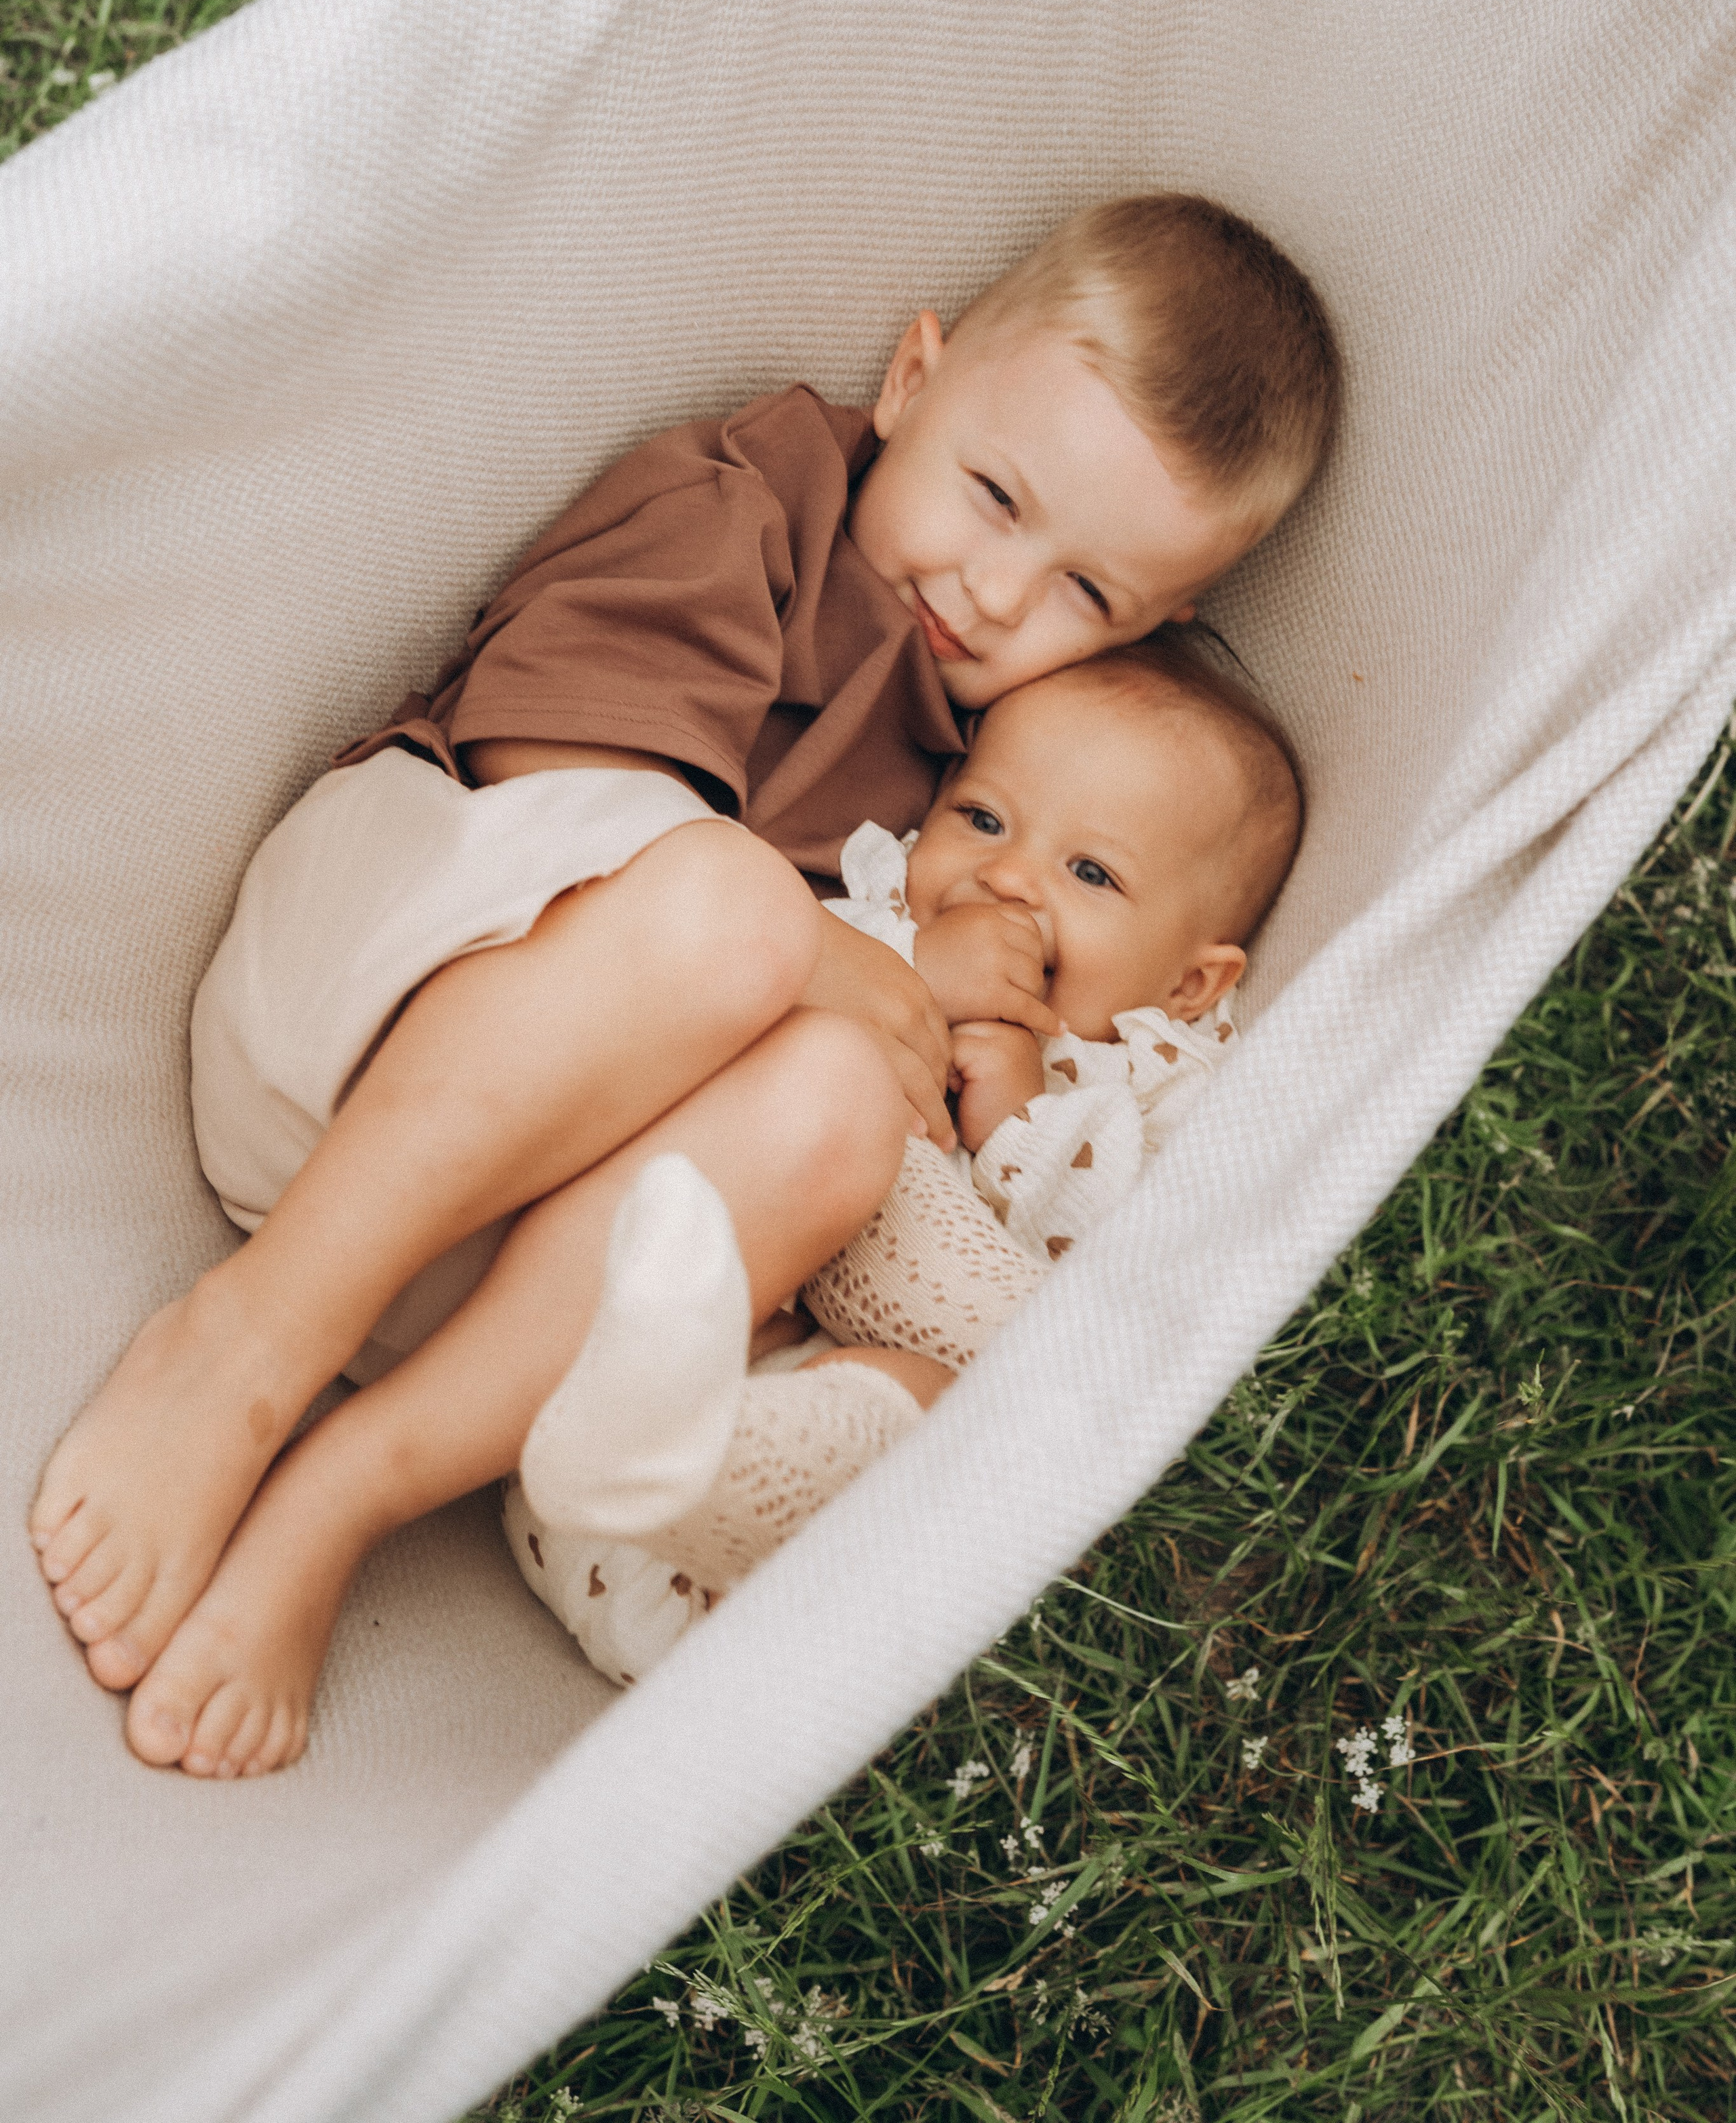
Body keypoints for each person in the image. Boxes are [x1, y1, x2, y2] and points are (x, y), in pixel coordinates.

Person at [28, 195, 1339, 1778]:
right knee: (731, 911)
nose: (996, 594)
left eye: (1085, 596)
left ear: (1158, 623)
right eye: (993, 496)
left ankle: (343, 1490)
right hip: (359, 1019)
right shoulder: (748, 503)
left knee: (841, 1103)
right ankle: (240, 1351)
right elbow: (556, 772)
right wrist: (848, 956)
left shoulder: (1008, 765)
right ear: (911, 380)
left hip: (502, 1275)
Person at [504, 637, 1300, 1680]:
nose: (1008, 875)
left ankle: (690, 1458)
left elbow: (1101, 1278)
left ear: (1194, 987)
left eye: (1091, 871)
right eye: (982, 819)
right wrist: (910, 981)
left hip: (761, 1561)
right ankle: (649, 1424)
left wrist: (1014, 1102)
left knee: (944, 1396)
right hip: (584, 1446)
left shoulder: (1139, 1089)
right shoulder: (863, 935)